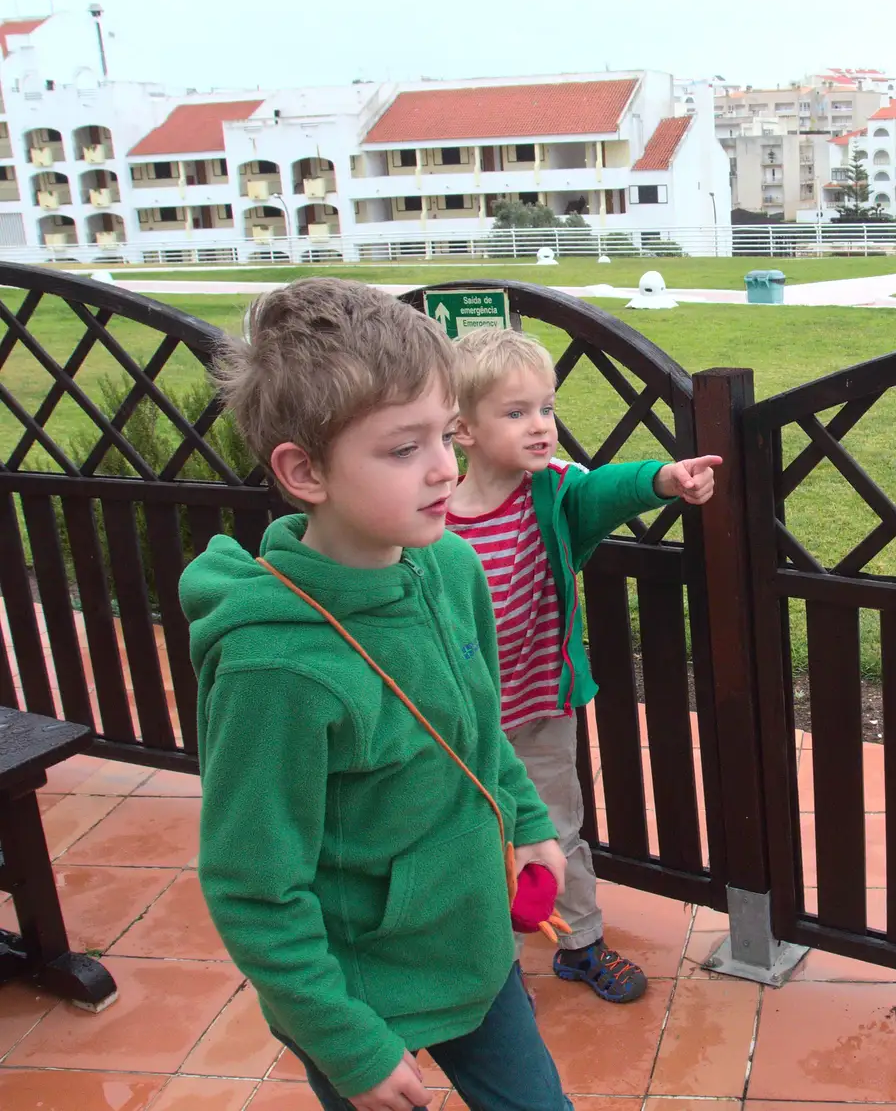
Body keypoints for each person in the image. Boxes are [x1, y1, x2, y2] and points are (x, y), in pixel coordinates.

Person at [182, 279, 572, 1111]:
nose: (443, 467)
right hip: (361, 995)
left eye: (445, 433)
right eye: (403, 449)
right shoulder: (276, 673)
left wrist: (529, 822)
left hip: (475, 949)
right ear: (304, 470)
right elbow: (254, 886)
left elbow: (474, 725)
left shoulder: (449, 565)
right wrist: (347, 1046)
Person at [446, 328, 718, 1004]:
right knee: (474, 844)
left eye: (546, 407)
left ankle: (581, 942)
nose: (541, 427)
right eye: (516, 413)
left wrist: (662, 479)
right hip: (457, 726)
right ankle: (490, 965)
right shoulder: (430, 515)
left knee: (556, 828)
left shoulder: (556, 492)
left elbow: (606, 493)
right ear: (462, 429)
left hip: (540, 710)